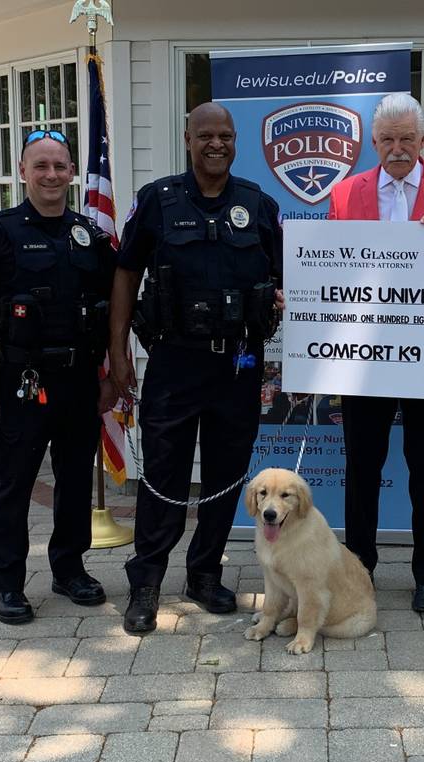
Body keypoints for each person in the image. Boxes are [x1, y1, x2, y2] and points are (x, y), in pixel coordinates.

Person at [109, 102, 283, 635]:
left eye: (225, 136)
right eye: (205, 135)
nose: (216, 144)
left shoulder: (259, 205)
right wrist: (117, 352)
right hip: (174, 362)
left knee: (228, 477)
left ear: (236, 142)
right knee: (163, 475)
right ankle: (146, 583)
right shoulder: (157, 201)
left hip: (237, 364)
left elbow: (285, 280)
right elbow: (125, 275)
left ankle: (204, 574)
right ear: (187, 138)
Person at [0, 128, 119, 625]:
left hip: (78, 382)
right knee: (13, 485)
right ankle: (6, 584)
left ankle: (69, 570)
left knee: (73, 483)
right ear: (23, 172)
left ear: (72, 173)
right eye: (40, 166)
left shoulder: (91, 235)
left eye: (60, 166)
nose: (51, 175)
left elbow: (114, 310)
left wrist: (111, 376)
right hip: (18, 383)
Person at [326, 92, 424, 614]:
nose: (397, 149)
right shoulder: (344, 195)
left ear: (423, 140)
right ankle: (359, 570)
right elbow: (332, 272)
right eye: (387, 140)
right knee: (362, 467)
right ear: (373, 143)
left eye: (406, 139)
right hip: (366, 355)